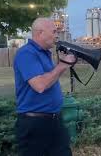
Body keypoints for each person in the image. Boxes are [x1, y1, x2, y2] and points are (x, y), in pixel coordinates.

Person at [13, 18, 76, 156]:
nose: (56, 35)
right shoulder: (26, 53)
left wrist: (62, 66)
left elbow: (50, 79)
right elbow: (40, 85)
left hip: (55, 122)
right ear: (40, 33)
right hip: (35, 125)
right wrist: (62, 65)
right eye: (53, 32)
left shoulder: (45, 53)